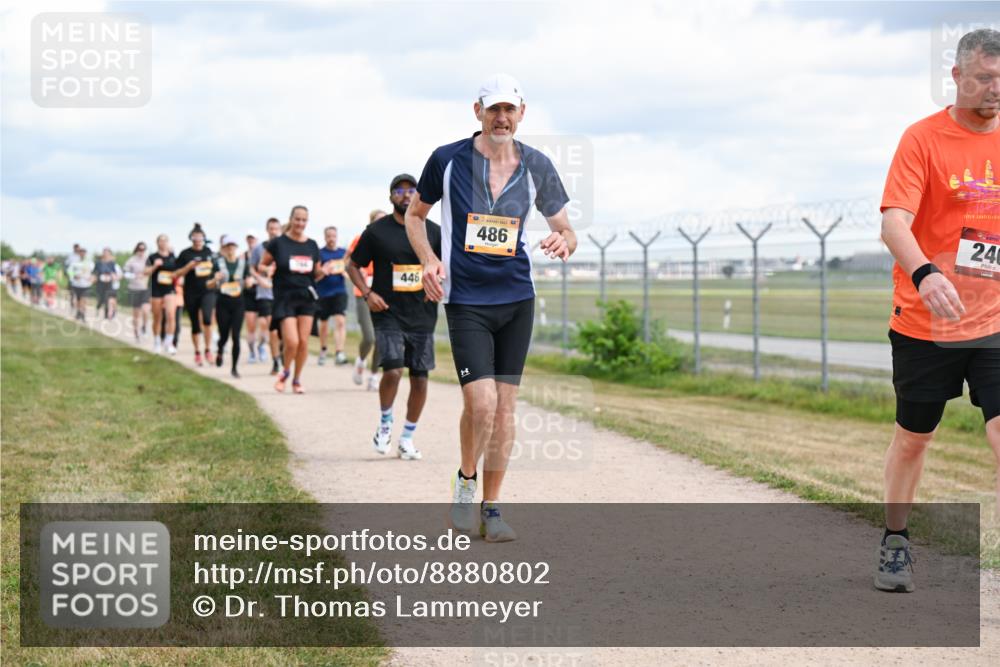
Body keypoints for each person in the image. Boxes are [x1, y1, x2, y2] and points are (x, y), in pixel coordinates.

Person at [405, 74, 577, 541]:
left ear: (523, 113)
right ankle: (466, 483)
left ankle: (493, 508)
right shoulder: (447, 159)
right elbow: (414, 215)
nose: (502, 118)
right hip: (466, 300)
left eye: (510, 110)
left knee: (504, 411)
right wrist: (428, 261)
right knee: (479, 404)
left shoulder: (537, 165)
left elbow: (566, 228)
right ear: (477, 111)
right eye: (493, 109)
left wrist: (564, 239)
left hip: (516, 299)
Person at [877, 28, 1000, 593]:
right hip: (926, 320)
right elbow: (894, 222)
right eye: (983, 79)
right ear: (955, 76)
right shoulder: (923, 139)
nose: (994, 90)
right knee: (914, 437)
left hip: (995, 319)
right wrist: (925, 274)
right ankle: (896, 540)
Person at [347, 175, 441, 461]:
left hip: (423, 313)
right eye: (399, 191)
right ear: (391, 197)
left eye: (410, 190)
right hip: (387, 310)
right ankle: (385, 424)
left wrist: (437, 283)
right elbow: (352, 265)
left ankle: (407, 437)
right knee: (393, 369)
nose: (405, 194)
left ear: (418, 195)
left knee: (421, 378)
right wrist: (366, 293)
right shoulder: (376, 231)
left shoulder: (433, 231)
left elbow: (445, 264)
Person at [260, 206, 337, 393]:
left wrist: (324, 271)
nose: (300, 223)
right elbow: (262, 264)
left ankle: (296, 379)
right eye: (297, 219)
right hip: (285, 297)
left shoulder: (311, 245)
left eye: (304, 220)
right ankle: (285, 371)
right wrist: (267, 270)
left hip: (306, 297)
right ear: (291, 219)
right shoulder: (278, 243)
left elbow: (315, 273)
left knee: (303, 341)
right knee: (292, 341)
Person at [350, 209, 386, 389]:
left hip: (384, 294)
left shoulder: (390, 241)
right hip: (363, 294)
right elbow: (348, 263)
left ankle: (373, 375)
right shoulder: (361, 239)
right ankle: (361, 360)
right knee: (369, 337)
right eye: (378, 221)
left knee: (381, 338)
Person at [173, 224, 217, 366]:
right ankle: (197, 352)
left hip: (207, 291)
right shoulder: (185, 254)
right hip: (191, 292)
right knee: (195, 324)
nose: (197, 239)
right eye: (195, 237)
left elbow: (216, 269)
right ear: (191, 238)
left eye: (200, 237)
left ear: (204, 238)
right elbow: (175, 273)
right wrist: (188, 267)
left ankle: (208, 349)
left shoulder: (209, 252)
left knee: (207, 319)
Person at [209, 235, 251, 378]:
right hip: (223, 302)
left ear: (236, 247)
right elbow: (208, 284)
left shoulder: (243, 264)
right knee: (224, 335)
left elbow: (248, 281)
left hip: (238, 302)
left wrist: (249, 282)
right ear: (224, 248)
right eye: (228, 246)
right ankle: (220, 350)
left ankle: (234, 368)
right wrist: (215, 279)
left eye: (233, 246)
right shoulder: (218, 263)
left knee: (236, 336)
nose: (231, 248)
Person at [251, 218, 282, 374]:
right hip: (265, 293)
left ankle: (280, 350)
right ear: (267, 229)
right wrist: (259, 279)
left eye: (276, 228)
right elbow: (252, 268)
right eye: (271, 228)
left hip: (282, 292)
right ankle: (276, 360)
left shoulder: (285, 246)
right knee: (272, 326)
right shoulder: (259, 249)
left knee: (283, 329)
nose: (274, 231)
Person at [316, 225, 349, 366]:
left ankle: (339, 352)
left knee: (340, 321)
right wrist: (324, 271)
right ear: (325, 237)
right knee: (324, 324)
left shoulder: (343, 253)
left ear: (337, 237)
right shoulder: (319, 253)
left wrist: (345, 273)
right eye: (329, 236)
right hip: (323, 293)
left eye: (333, 236)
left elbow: (351, 271)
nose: (331, 239)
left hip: (339, 291)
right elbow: (315, 276)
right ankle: (323, 349)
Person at [145, 234, 177, 355]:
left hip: (169, 289)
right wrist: (155, 266)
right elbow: (146, 272)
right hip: (156, 289)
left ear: (168, 242)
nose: (163, 243)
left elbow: (178, 271)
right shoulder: (153, 257)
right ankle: (157, 341)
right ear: (157, 243)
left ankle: (169, 342)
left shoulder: (173, 257)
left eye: (165, 241)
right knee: (157, 317)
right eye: (161, 241)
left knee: (171, 315)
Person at [124, 242, 151, 340]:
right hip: (134, 288)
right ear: (136, 250)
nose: (141, 251)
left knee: (146, 310)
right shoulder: (131, 260)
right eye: (140, 249)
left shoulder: (148, 259)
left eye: (143, 249)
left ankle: (144, 326)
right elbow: (125, 273)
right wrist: (134, 276)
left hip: (145, 288)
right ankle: (136, 333)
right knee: (136, 313)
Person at [243, 231, 260, 364]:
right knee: (251, 326)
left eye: (253, 239)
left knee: (266, 325)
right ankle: (252, 352)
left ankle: (262, 346)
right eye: (249, 239)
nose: (251, 241)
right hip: (248, 295)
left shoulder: (264, 255)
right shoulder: (242, 258)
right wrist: (245, 282)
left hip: (263, 294)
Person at [66, 246, 94, 322]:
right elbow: (69, 271)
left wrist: (92, 278)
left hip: (86, 285)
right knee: (78, 301)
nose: (82, 254)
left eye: (84, 252)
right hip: (76, 284)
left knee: (83, 300)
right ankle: (79, 313)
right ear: (79, 254)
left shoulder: (90, 263)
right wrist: (74, 276)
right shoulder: (75, 263)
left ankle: (83, 314)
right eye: (81, 252)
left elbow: (93, 272)